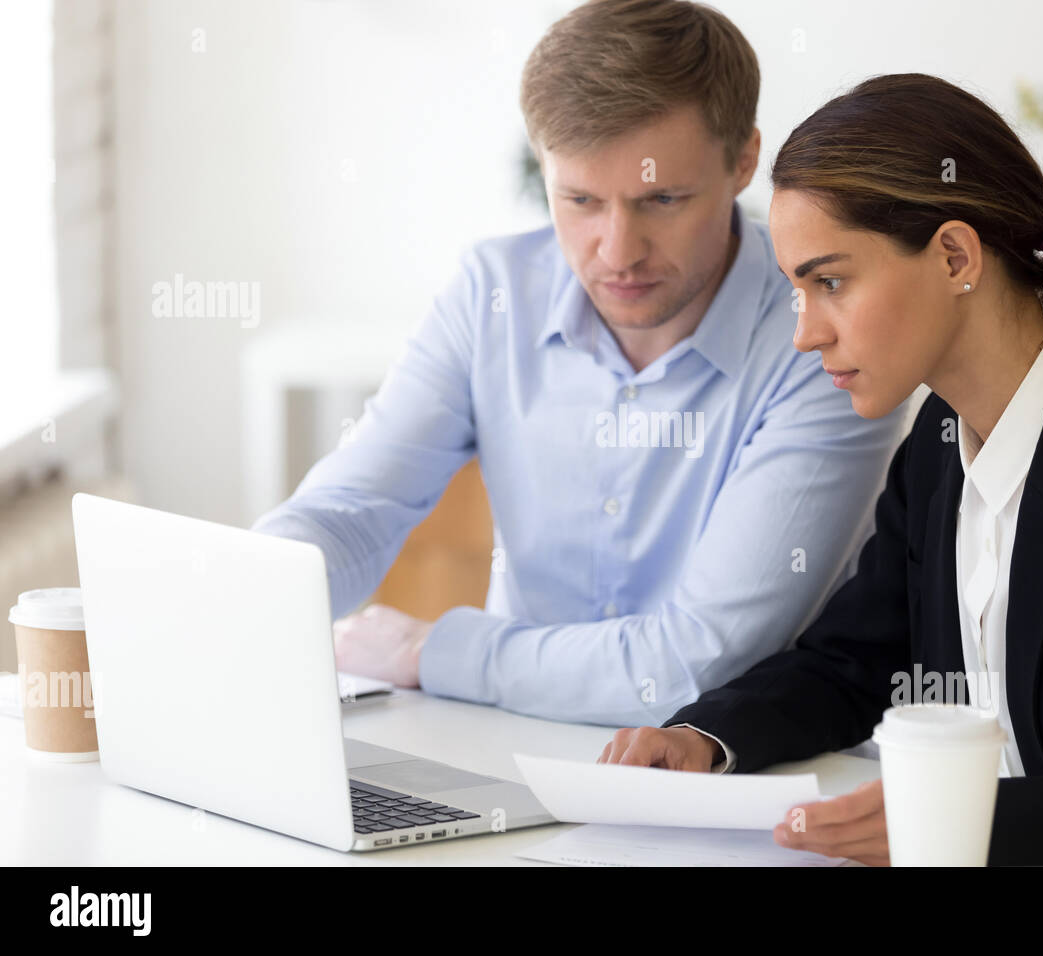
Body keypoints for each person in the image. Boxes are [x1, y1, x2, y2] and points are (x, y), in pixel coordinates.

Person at [598, 72, 1043, 866]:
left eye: (830, 281)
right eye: (798, 290)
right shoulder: (939, 441)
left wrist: (965, 821)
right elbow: (850, 662)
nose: (806, 334)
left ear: (956, 256)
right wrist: (703, 738)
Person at [250, 1, 903, 727]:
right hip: (506, 741)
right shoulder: (491, 295)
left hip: (731, 775)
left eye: (661, 200)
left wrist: (434, 650)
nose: (618, 251)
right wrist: (252, 592)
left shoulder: (819, 339)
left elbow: (696, 659)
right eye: (581, 199)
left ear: (744, 161)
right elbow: (350, 514)